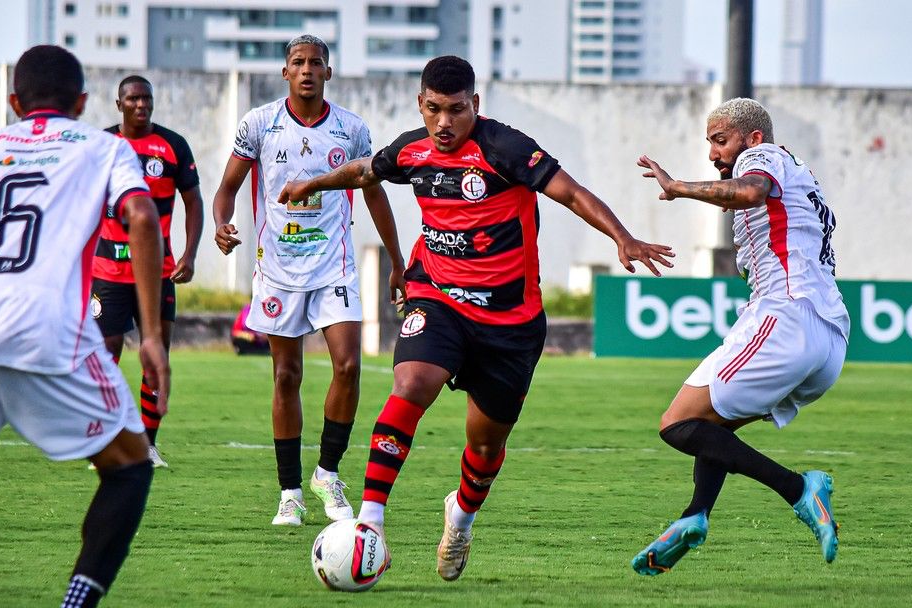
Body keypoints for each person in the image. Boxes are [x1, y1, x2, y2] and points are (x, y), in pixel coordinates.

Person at [278, 55, 674, 581]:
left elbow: (571, 193)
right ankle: (370, 522)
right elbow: (365, 170)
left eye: (457, 111)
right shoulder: (412, 150)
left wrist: (622, 237)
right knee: (412, 382)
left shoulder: (503, 148)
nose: (445, 123)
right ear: (421, 105)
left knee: (486, 445)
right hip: (436, 296)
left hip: (510, 321)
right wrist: (314, 185)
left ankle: (460, 518)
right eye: (435, 110)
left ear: (475, 106)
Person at [0, 45, 169, 607]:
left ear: (12, 102)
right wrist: (150, 336)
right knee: (129, 467)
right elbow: (143, 216)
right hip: (49, 324)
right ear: (82, 103)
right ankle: (76, 603)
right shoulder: (105, 149)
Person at [630, 97, 850, 575]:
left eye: (719, 139)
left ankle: (799, 488)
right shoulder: (802, 176)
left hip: (786, 315)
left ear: (751, 138)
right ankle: (695, 515)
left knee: (677, 424)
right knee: (713, 425)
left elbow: (750, 192)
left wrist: (679, 188)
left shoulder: (762, 156)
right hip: (827, 337)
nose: (713, 153)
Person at [212, 35, 405, 526]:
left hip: (333, 265)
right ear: (285, 73)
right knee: (286, 376)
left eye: (315, 63)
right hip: (276, 269)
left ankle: (327, 472)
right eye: (297, 62)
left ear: (328, 72)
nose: (306, 70)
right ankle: (290, 493)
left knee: (348, 365)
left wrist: (397, 260)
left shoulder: (351, 130)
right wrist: (221, 223)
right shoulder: (259, 124)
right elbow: (227, 188)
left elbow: (375, 195)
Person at [92, 74, 203, 468]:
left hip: (159, 273)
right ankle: (106, 439)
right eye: (134, 99)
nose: (142, 105)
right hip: (107, 271)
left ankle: (148, 444)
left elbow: (193, 201)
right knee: (106, 356)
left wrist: (189, 253)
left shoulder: (172, 146)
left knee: (156, 355)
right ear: (119, 103)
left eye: (147, 98)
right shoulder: (102, 146)